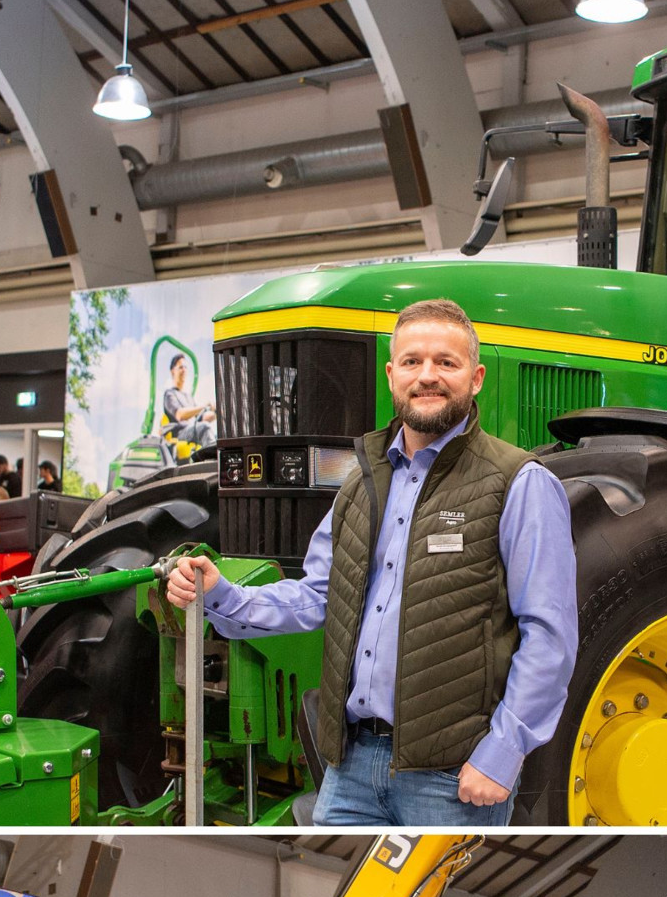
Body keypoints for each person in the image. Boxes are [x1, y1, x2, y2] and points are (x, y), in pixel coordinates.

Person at [164, 299, 577, 826]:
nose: (427, 376)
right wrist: (224, 594)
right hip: (350, 771)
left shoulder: (519, 483)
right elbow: (318, 595)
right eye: (412, 362)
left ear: (476, 378)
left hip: (452, 780)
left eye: (445, 363)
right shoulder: (361, 482)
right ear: (391, 375)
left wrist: (502, 752)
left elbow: (550, 634)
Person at [161, 358, 215, 454]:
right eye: (180, 367)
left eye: (185, 367)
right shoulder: (170, 394)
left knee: (217, 436)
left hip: (193, 430)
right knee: (204, 428)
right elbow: (180, 415)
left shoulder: (188, 397)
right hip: (180, 434)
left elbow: (202, 417)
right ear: (172, 371)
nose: (184, 370)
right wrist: (204, 405)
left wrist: (218, 412)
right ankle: (212, 460)